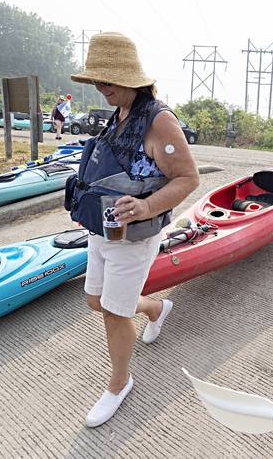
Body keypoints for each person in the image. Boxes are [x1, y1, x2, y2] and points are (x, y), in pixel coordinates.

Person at [67, 32, 199, 428]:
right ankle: (156, 308)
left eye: (104, 82)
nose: (100, 89)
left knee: (112, 310)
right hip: (103, 228)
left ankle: (119, 382)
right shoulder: (119, 113)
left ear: (126, 78)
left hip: (134, 236)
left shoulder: (159, 120)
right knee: (96, 301)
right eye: (96, 82)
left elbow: (187, 178)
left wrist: (144, 206)